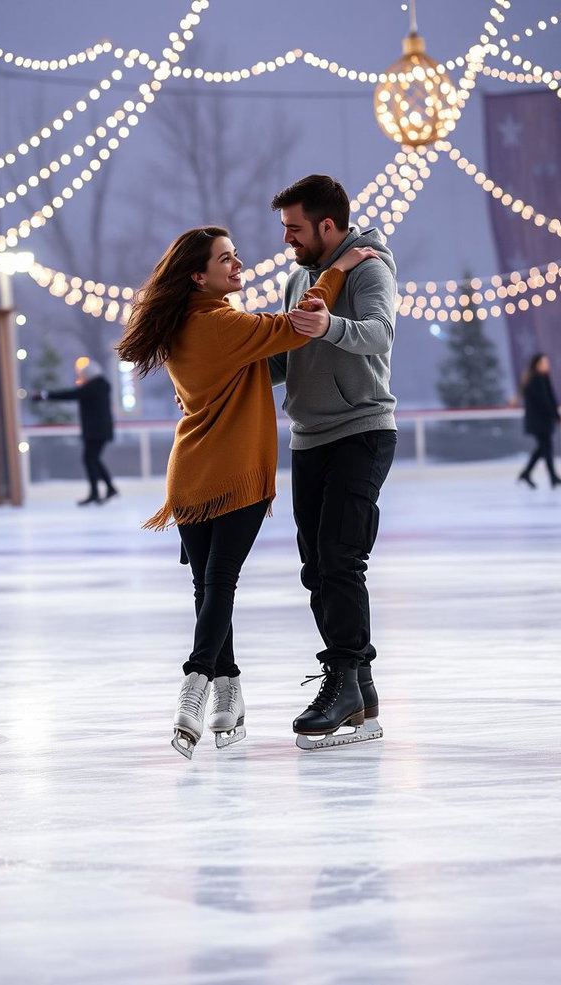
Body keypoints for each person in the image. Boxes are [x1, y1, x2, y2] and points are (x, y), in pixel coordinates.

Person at [116, 225, 376, 759]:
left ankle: (227, 692)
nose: (238, 267)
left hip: (189, 475)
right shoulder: (221, 325)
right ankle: (196, 682)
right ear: (198, 275)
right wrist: (338, 272)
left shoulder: (183, 324)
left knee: (208, 587)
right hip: (236, 474)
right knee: (220, 583)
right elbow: (302, 325)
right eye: (226, 260)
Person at [268, 174, 398, 751]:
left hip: (362, 430)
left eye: (295, 229)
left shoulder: (370, 268)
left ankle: (343, 678)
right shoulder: (300, 276)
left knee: (340, 559)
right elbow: (285, 355)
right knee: (316, 569)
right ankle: (360, 688)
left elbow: (380, 334)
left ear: (327, 225)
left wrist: (330, 325)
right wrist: (219, 374)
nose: (288, 241)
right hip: (308, 438)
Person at [32, 359, 118, 505]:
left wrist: (46, 395)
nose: (81, 378)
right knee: (92, 459)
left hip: (96, 431)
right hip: (99, 430)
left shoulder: (94, 387)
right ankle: (106, 489)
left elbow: (71, 394)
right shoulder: (100, 385)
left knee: (90, 459)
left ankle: (98, 492)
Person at [517, 352, 561, 489]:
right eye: (545, 362)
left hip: (542, 420)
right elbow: (544, 401)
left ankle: (527, 473)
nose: (548, 365)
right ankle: (550, 477)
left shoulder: (541, 378)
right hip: (538, 421)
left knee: (543, 448)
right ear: (537, 364)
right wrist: (555, 415)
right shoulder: (536, 379)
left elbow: (549, 399)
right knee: (545, 448)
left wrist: (555, 415)